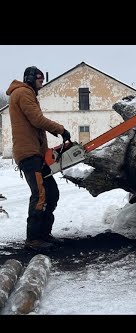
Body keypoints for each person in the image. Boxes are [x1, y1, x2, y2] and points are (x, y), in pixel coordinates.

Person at [6, 66, 71, 251]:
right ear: (30, 79)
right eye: (39, 82)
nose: (41, 86)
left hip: (37, 153)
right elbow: (37, 119)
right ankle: (33, 239)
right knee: (40, 194)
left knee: (51, 193)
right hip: (28, 154)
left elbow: (35, 125)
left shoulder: (26, 93)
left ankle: (43, 234)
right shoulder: (23, 93)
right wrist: (61, 129)